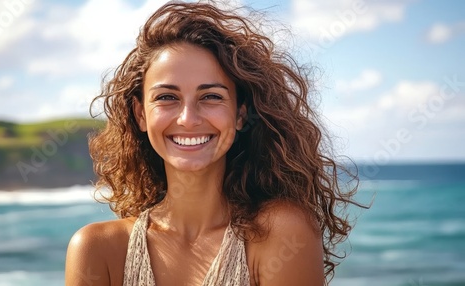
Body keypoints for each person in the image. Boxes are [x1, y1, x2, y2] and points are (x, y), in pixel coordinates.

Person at [65, 1, 363, 285]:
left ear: (240, 115)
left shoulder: (280, 233)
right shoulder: (97, 250)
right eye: (167, 97)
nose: (188, 119)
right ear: (141, 114)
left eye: (211, 97)